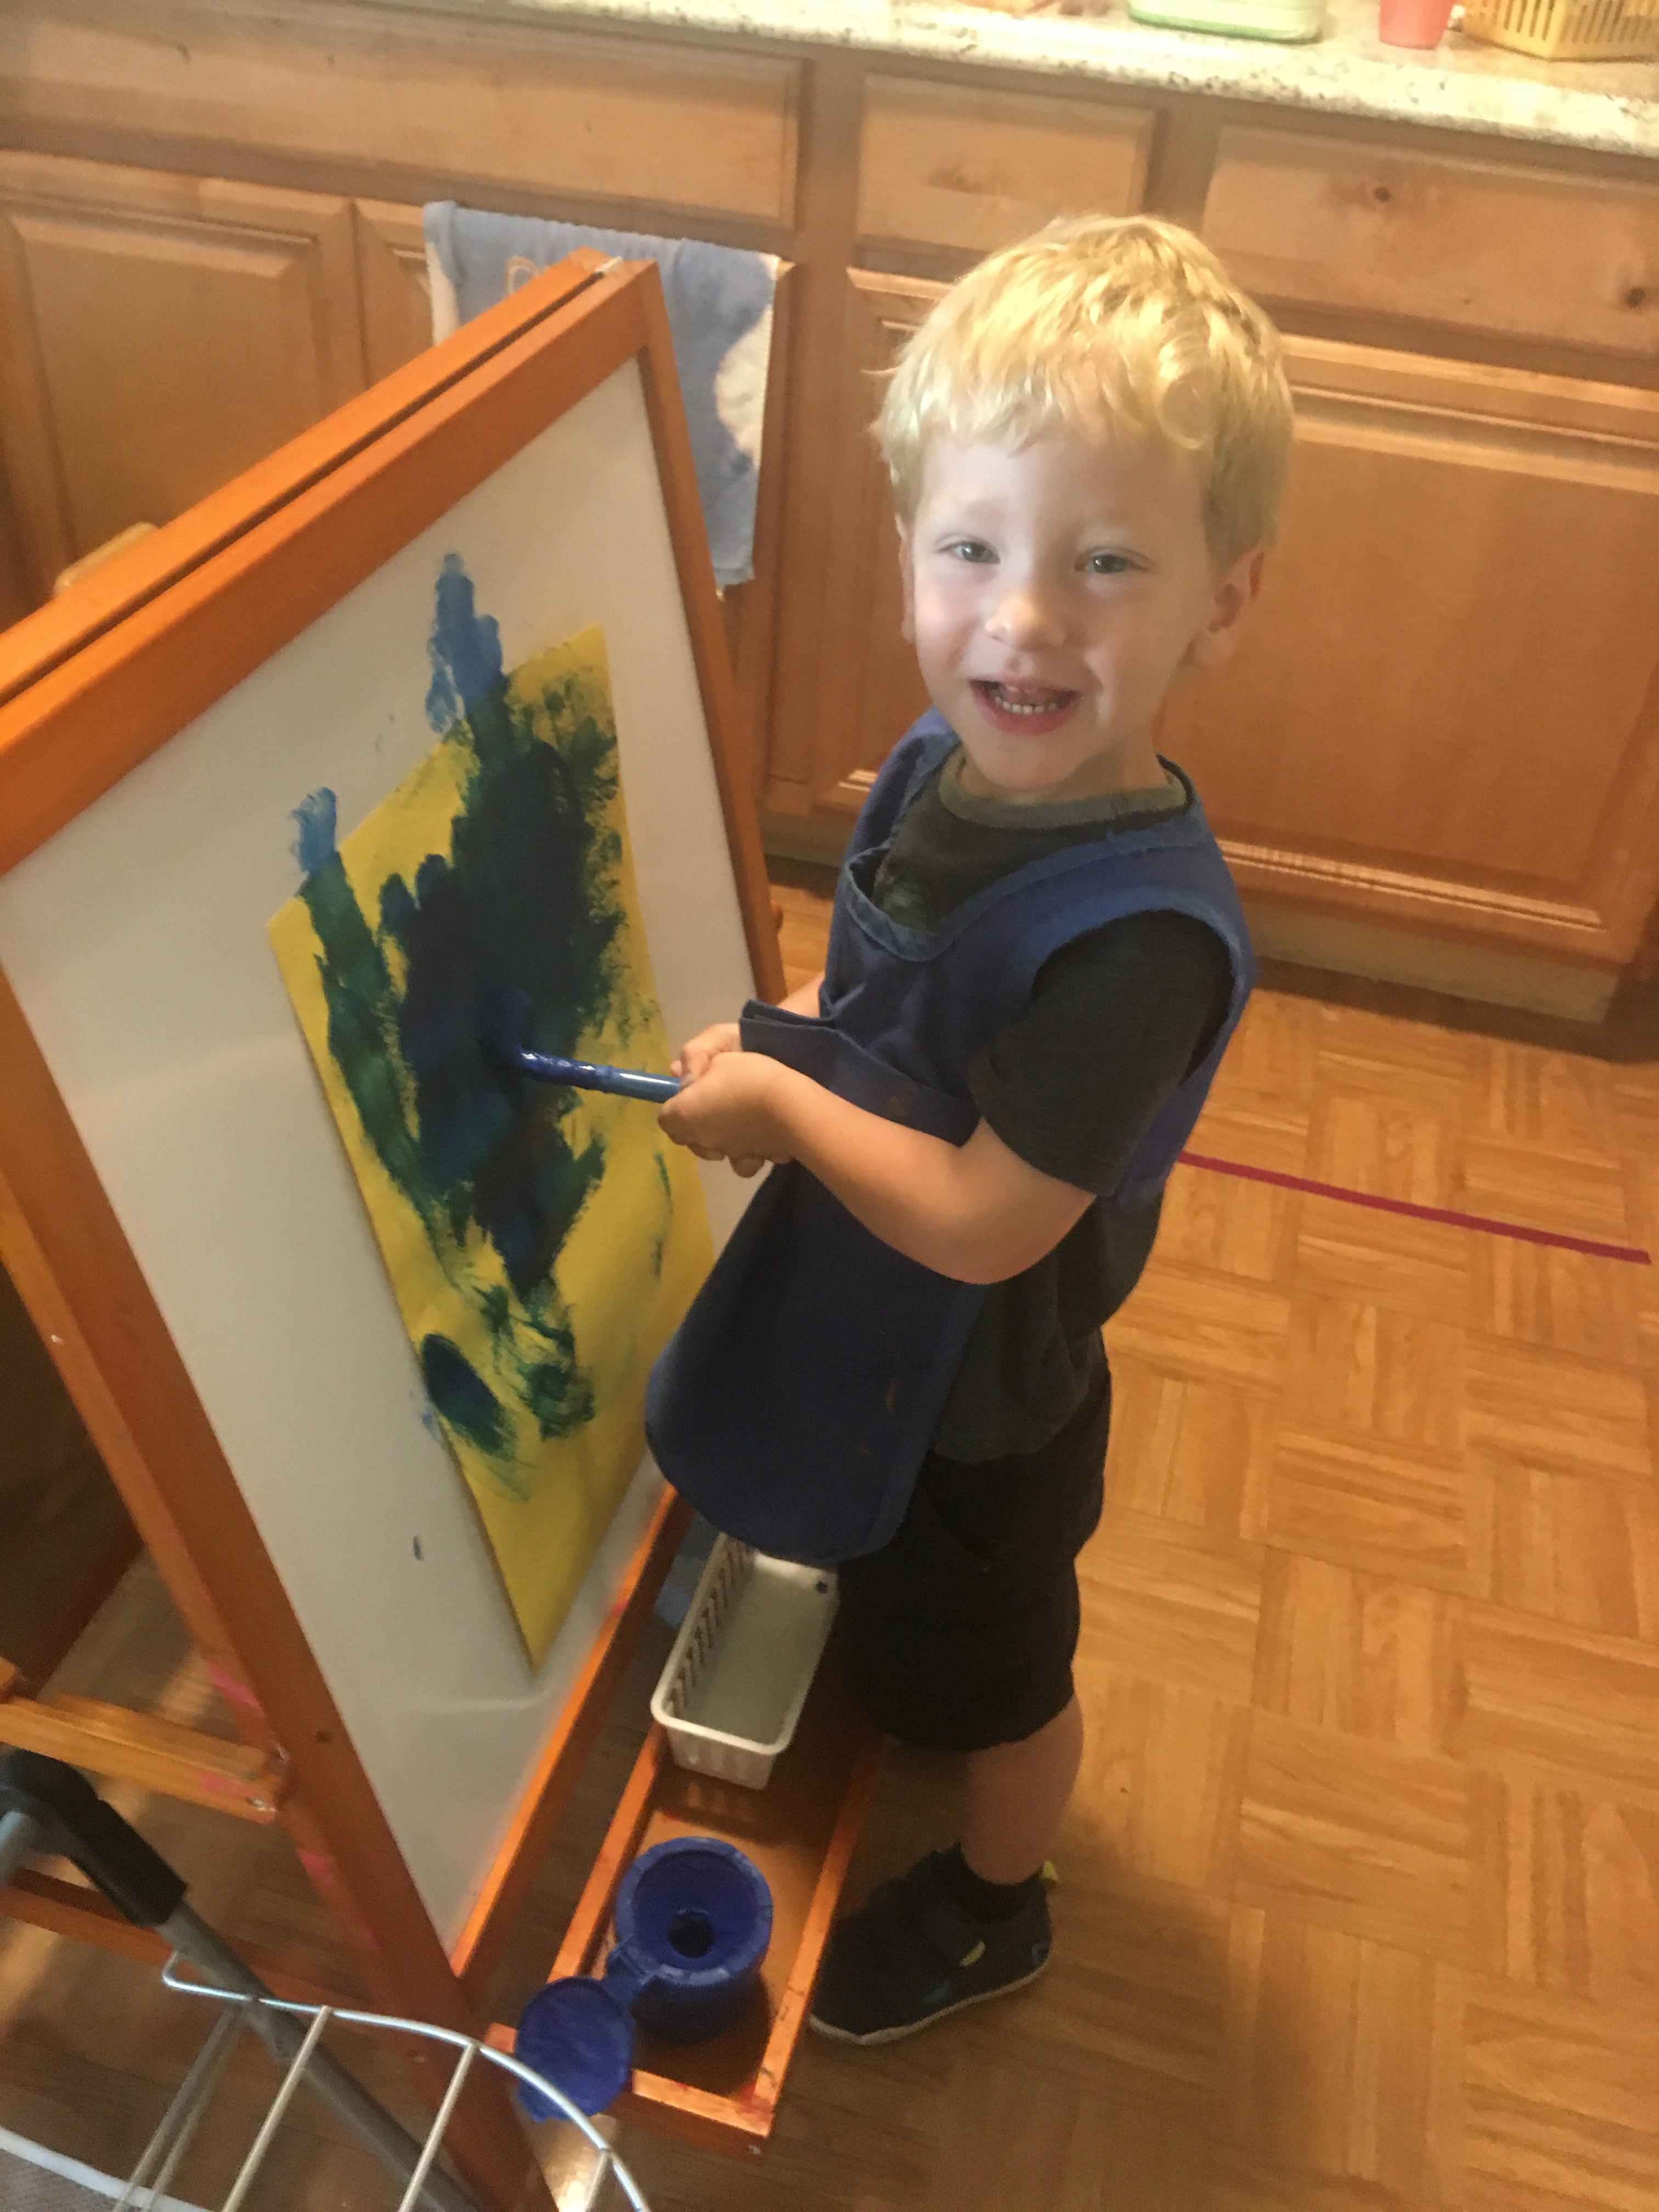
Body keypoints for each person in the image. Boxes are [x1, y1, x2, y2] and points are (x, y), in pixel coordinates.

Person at [647, 215, 1294, 2045]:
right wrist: (794, 1036)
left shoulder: (1138, 942)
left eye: (1107, 563)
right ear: (908, 548)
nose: (1024, 619)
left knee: (997, 1681)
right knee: (903, 1603)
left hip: (980, 1403)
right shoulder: (946, 763)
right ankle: (898, 1655)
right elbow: (891, 995)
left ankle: (997, 1907)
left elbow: (986, 1222)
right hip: (877, 1327)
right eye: (973, 548)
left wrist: (786, 1104)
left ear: (1221, 601)